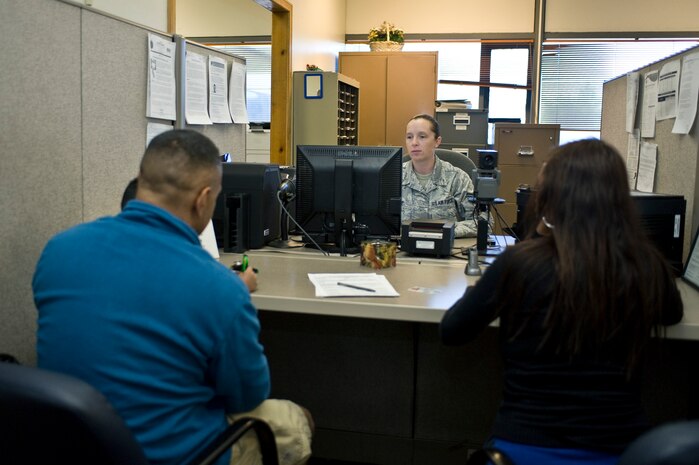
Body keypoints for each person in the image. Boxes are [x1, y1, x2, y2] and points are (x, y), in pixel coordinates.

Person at [33, 129, 311, 465]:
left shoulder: (59, 250)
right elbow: (247, 396)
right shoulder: (219, 290)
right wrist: (231, 292)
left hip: (73, 448)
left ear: (140, 181)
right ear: (203, 199)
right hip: (178, 456)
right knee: (294, 421)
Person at [440, 139, 683, 465]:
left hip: (523, 449)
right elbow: (673, 312)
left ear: (552, 199)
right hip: (620, 451)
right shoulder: (644, 265)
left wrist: (482, 290)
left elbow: (452, 330)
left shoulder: (519, 264)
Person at [402, 114, 478, 237]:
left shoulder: (457, 178)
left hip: (448, 250)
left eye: (422, 137)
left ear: (437, 141)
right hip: (404, 251)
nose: (414, 143)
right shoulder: (394, 177)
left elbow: (482, 223)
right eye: (409, 137)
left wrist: (442, 231)